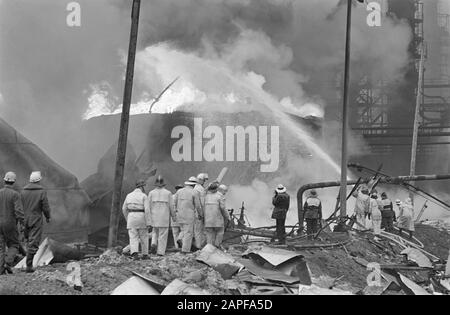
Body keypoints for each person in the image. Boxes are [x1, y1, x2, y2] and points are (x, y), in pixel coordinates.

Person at [21, 171, 51, 273]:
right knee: (34, 242)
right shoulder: (41, 191)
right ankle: (29, 265)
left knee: (27, 240)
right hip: (36, 219)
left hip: (24, 219)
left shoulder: (23, 191)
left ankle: (24, 261)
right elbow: (45, 207)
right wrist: (48, 217)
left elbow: (20, 206)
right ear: (39, 180)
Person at [0, 172, 24, 275]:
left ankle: (0, 269)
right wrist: (23, 222)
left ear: (4, 180)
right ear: (13, 182)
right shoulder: (15, 194)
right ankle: (8, 263)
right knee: (14, 244)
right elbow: (18, 211)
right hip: (10, 223)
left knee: (1, 246)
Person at [148, 176, 176, 256]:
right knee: (162, 235)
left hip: (154, 216)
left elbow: (148, 206)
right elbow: (171, 206)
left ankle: (153, 243)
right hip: (164, 217)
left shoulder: (151, 193)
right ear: (163, 184)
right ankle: (160, 252)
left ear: (156, 184)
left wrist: (148, 218)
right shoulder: (168, 193)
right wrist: (173, 217)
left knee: (154, 231)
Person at [122, 180, 150, 259]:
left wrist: (128, 219)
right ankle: (145, 254)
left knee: (133, 237)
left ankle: (134, 254)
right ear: (142, 187)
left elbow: (124, 209)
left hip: (131, 216)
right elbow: (147, 210)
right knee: (144, 236)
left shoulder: (129, 195)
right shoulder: (144, 196)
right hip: (141, 217)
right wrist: (148, 222)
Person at [174, 177, 202, 253]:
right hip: (189, 215)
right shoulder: (194, 192)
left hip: (179, 214)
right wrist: (200, 214)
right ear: (194, 185)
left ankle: (179, 239)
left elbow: (174, 202)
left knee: (182, 230)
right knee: (188, 233)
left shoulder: (179, 191)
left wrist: (175, 212)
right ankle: (185, 250)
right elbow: (198, 205)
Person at [204, 182, 230, 248]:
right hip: (217, 220)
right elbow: (223, 208)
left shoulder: (206, 196)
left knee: (209, 234)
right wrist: (228, 217)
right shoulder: (220, 196)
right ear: (221, 190)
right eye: (225, 191)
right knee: (220, 232)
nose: (225, 193)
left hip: (207, 220)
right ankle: (216, 246)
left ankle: (209, 248)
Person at [193, 173, 208, 249]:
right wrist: (202, 214)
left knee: (197, 231)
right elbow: (201, 203)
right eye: (204, 180)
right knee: (200, 231)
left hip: (196, 212)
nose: (204, 182)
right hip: (199, 213)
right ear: (201, 180)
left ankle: (198, 245)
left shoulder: (196, 188)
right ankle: (199, 246)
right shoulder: (199, 189)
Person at [171, 185, 184, 249]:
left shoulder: (172, 197)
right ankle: (181, 240)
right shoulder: (183, 197)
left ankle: (177, 247)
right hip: (182, 215)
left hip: (173, 215)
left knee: (175, 232)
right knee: (183, 230)